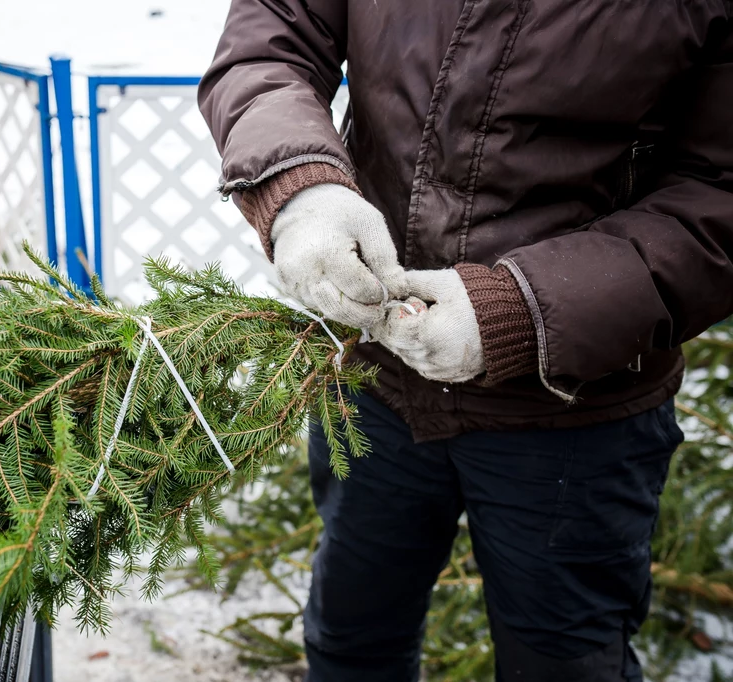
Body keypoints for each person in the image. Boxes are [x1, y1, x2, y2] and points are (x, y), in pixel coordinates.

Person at [199, 2, 733, 681]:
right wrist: (300, 185)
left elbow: (719, 194)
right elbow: (270, 39)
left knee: (564, 666)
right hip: (374, 381)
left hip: (574, 413)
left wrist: (523, 307)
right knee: (350, 639)